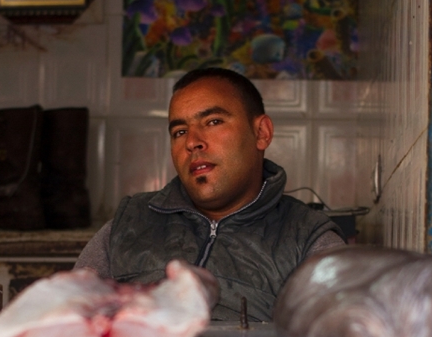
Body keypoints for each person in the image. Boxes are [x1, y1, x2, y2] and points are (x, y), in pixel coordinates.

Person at [76, 68, 345, 321]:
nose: (192, 142)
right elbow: (67, 320)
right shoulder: (128, 224)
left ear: (261, 133)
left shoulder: (309, 241)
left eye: (213, 121)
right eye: (180, 131)